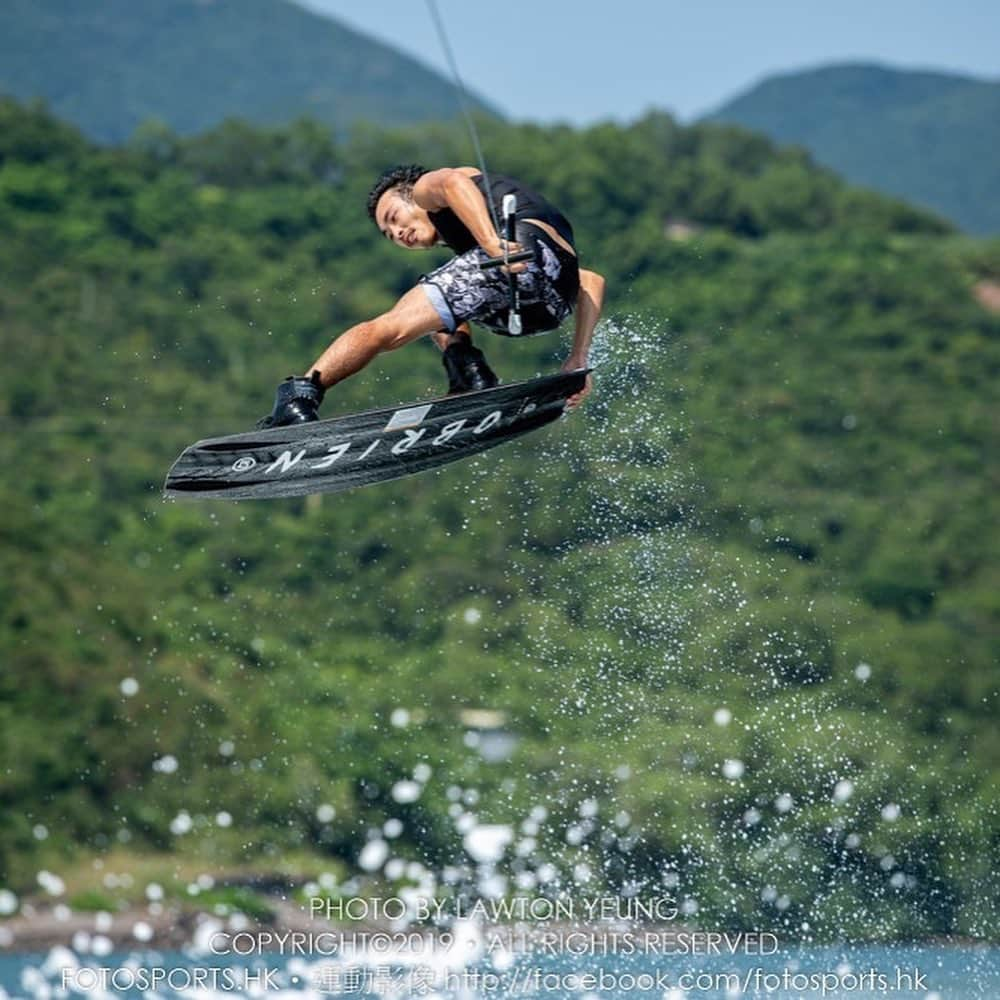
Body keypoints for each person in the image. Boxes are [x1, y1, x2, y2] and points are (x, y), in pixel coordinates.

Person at [258, 165, 605, 427]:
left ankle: (299, 395)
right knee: (443, 310)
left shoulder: (426, 189)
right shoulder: (477, 221)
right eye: (389, 234)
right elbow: (590, 281)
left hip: (514, 257)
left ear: (413, 199)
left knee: (390, 327)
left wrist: (488, 242)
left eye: (394, 217)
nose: (397, 233)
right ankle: (468, 372)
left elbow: (453, 182)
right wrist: (579, 358)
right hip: (548, 301)